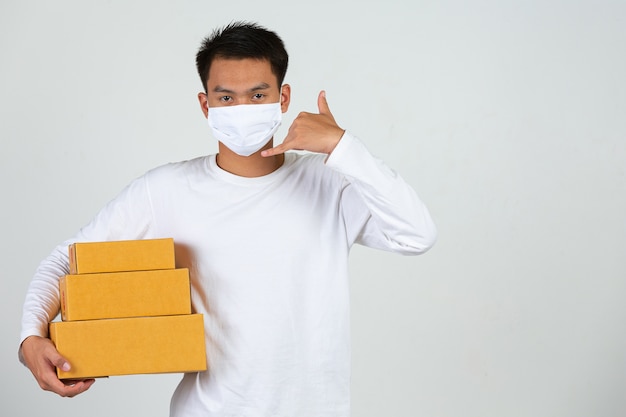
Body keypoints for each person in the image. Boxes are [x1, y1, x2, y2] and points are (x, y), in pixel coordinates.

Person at [19, 21, 437, 416]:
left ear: (283, 98)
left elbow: (416, 235)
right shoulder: (166, 190)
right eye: (226, 97)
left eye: (257, 95)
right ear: (206, 104)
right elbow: (65, 260)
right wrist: (30, 338)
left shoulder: (329, 182)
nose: (242, 108)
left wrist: (343, 146)